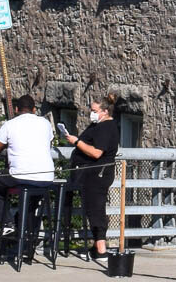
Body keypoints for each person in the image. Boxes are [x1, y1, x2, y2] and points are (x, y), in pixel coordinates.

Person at [0, 95, 57, 231]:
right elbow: (49, 142)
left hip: (20, 175)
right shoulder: (45, 123)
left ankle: (7, 223)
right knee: (31, 200)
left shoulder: (10, 125)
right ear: (34, 109)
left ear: (16, 109)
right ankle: (25, 235)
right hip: (46, 177)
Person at [62, 93, 122, 262]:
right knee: (91, 209)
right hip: (89, 174)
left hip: (98, 174)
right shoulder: (98, 124)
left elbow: (96, 152)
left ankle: (101, 249)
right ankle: (97, 246)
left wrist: (76, 142)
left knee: (96, 209)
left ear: (104, 111)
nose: (91, 112)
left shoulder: (106, 127)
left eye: (94, 110)